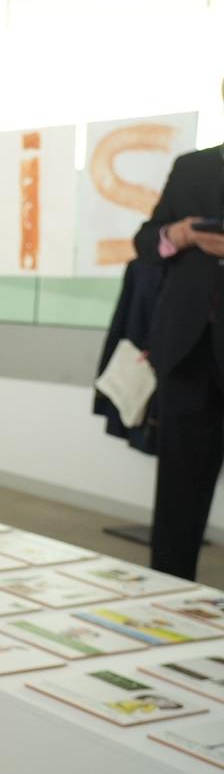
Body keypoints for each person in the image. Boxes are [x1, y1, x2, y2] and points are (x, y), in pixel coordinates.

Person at [134, 126, 224, 579]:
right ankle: (167, 597)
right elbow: (146, 242)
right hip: (189, 351)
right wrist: (182, 234)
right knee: (178, 498)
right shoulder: (193, 167)